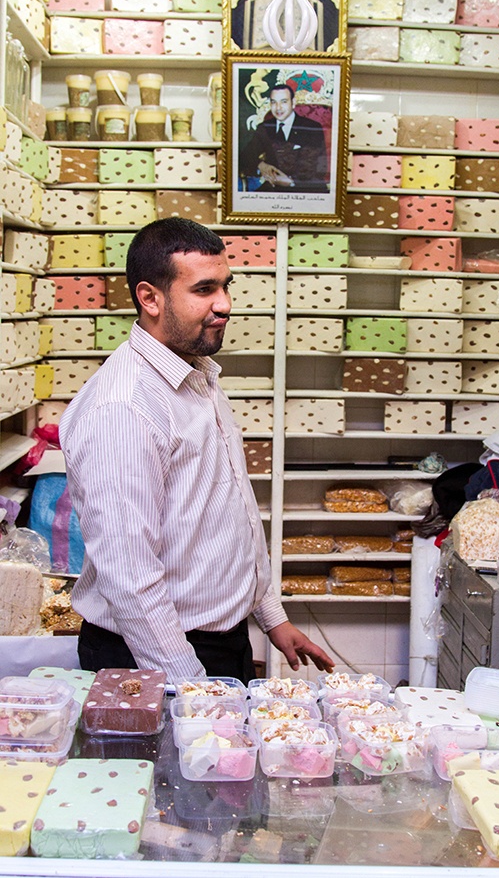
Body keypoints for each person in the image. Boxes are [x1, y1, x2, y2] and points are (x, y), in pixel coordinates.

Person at [59, 217, 335, 683]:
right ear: (150, 298)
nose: (224, 304)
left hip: (217, 642)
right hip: (150, 654)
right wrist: (193, 686)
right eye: (204, 289)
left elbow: (226, 516)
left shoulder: (197, 374)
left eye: (225, 286)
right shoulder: (124, 407)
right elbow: (130, 577)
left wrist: (271, 616)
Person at [240, 83, 329, 193]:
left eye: (284, 101)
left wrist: (291, 182)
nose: (278, 108)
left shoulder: (311, 127)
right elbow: (245, 155)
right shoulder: (265, 128)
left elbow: (318, 169)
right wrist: (261, 165)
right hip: (274, 188)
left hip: (306, 188)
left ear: (293, 103)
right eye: (274, 102)